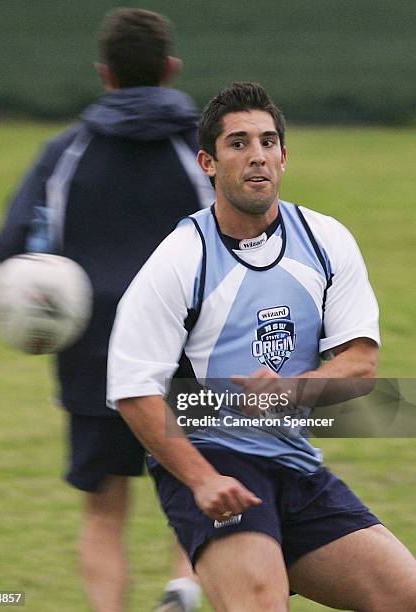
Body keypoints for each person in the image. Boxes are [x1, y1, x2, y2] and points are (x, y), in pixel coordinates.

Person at [107, 82, 416, 611]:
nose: (257, 157)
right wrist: (201, 481)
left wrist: (292, 389)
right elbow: (133, 390)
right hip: (214, 459)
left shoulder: (325, 240)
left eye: (268, 142)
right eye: (239, 143)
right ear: (208, 161)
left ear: (284, 156)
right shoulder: (182, 258)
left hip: (294, 463)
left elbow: (361, 365)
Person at [0, 8, 212, 612]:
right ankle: (183, 588)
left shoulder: (66, 151)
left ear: (103, 74)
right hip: (188, 349)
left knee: (104, 505)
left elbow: (13, 245)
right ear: (170, 69)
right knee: (198, 485)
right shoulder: (206, 151)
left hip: (97, 354)